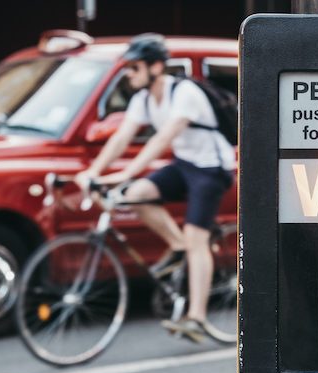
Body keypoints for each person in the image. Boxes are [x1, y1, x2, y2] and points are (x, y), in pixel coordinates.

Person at [75, 33, 235, 343]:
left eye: (134, 68)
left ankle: (196, 317)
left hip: (211, 169)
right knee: (136, 195)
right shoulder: (143, 100)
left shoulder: (184, 92)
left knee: (196, 238)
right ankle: (177, 248)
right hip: (185, 164)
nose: (129, 74)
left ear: (156, 67)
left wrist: (123, 175)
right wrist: (93, 172)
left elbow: (161, 140)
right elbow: (120, 138)